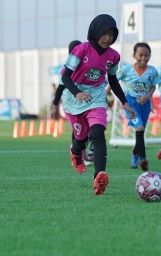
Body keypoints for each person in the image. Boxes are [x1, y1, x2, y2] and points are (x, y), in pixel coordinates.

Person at [60, 14, 136, 195]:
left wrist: (124, 102)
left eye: (111, 35)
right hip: (74, 96)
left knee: (98, 133)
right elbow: (65, 76)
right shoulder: (81, 50)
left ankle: (99, 176)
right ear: (95, 32)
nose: (108, 39)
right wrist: (77, 92)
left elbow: (113, 79)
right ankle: (76, 152)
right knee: (80, 139)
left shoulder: (113, 56)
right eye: (104, 34)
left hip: (96, 96)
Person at [115, 42, 160, 171]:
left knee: (140, 132)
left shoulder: (152, 71)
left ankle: (135, 152)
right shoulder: (127, 70)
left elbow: (153, 86)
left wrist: (148, 99)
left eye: (146, 55)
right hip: (130, 103)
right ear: (134, 55)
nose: (143, 58)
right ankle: (143, 160)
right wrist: (104, 95)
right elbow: (114, 81)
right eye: (140, 55)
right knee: (139, 128)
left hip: (144, 104)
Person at [52, 40, 94, 164]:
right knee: (78, 130)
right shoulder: (66, 70)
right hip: (71, 104)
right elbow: (60, 88)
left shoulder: (87, 67)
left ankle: (84, 151)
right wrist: (55, 105)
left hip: (85, 103)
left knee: (90, 128)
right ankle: (79, 154)